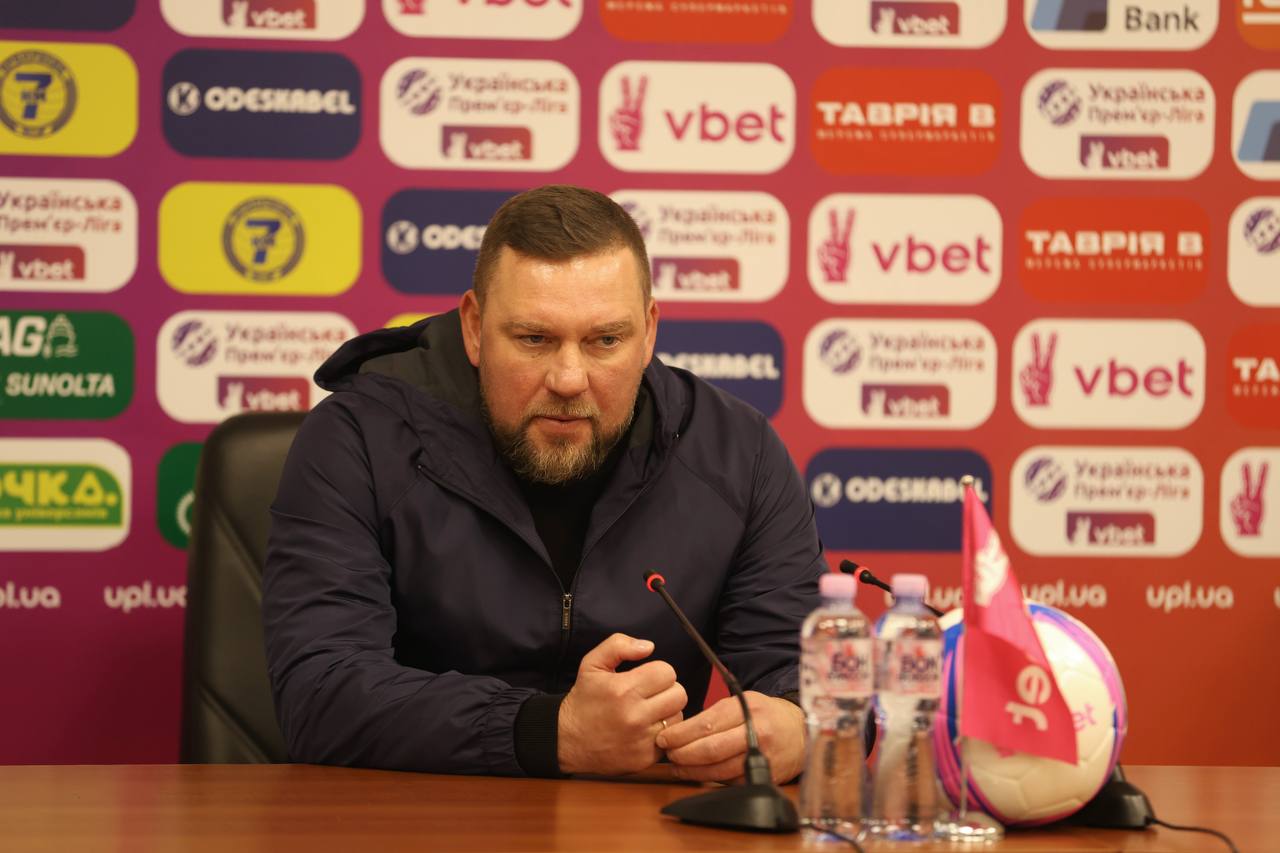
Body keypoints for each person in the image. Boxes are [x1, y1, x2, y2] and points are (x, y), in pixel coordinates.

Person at [263, 185, 825, 782]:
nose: (568, 378)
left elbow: (805, 678)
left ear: (648, 331)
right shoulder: (359, 439)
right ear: (475, 327)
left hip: (641, 821)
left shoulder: (737, 452)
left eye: (605, 341)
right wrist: (550, 732)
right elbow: (319, 693)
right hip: (419, 816)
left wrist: (802, 724)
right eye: (535, 339)